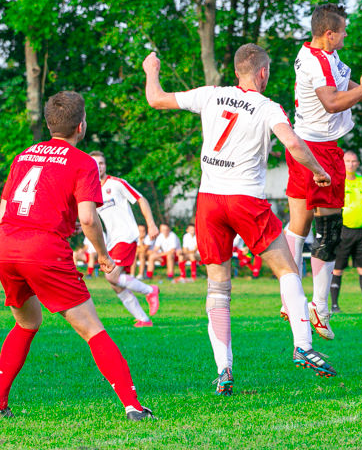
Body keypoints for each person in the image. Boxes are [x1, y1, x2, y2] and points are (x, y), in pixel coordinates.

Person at [144, 44, 337, 395]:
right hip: (246, 199)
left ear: (236, 71)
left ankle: (224, 370)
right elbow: (292, 143)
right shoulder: (267, 107)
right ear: (262, 73)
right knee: (287, 269)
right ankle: (303, 345)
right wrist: (319, 170)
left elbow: (155, 99)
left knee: (218, 286)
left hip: (209, 201)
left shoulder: (211, 95)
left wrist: (151, 68)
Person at [0, 91, 153, 420]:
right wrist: (103, 254)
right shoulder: (82, 162)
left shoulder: (23, 156)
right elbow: (87, 218)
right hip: (43, 248)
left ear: (49, 122)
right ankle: (133, 405)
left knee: (27, 321)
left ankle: (0, 402)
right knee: (92, 328)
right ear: (80, 126)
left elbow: (3, 209)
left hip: (7, 244)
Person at [282, 3, 362, 341]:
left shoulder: (316, 54)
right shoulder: (318, 63)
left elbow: (345, 81)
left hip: (302, 143)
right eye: (343, 31)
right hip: (322, 149)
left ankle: (290, 295)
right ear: (329, 34)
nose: (345, 35)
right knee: (328, 230)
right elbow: (332, 101)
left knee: (297, 224)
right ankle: (318, 305)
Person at [89, 151, 162, 325]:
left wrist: (150, 224)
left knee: (111, 277)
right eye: (95, 163)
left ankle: (150, 290)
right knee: (116, 284)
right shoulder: (91, 191)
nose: (99, 166)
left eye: (102, 163)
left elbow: (141, 199)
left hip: (126, 236)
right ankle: (143, 319)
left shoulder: (116, 184)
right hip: (112, 241)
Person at [330, 151, 362, 313]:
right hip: (343, 231)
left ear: (358, 163)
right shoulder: (338, 182)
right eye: (347, 161)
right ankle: (335, 306)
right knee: (337, 268)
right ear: (342, 163)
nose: (351, 164)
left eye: (354, 161)